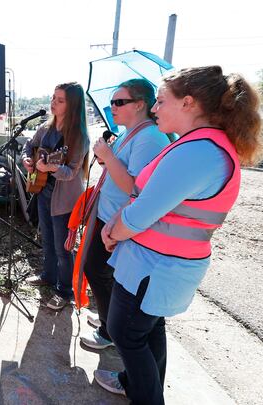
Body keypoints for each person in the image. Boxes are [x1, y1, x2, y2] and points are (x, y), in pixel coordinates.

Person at [94, 66, 262, 404]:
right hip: (159, 266)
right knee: (147, 329)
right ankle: (136, 384)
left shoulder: (197, 152)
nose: (155, 108)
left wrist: (113, 230)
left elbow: (141, 212)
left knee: (126, 334)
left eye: (160, 100)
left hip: (154, 266)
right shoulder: (201, 146)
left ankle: (147, 396)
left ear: (188, 103)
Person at [79, 79, 170, 350]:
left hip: (119, 221)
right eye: (112, 102)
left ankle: (109, 330)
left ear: (140, 104)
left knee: (97, 271)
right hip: (107, 215)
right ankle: (108, 319)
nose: (113, 108)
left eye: (119, 102)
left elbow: (133, 186)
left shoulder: (149, 137)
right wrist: (107, 156)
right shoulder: (132, 132)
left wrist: (108, 154)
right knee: (100, 271)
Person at [22, 82, 90, 310]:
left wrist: (51, 169)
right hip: (43, 192)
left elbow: (71, 172)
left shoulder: (78, 136)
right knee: (47, 240)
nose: (53, 103)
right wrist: (28, 161)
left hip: (65, 199)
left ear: (73, 106)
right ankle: (48, 276)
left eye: (60, 100)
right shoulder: (45, 128)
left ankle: (64, 291)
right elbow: (28, 146)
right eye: (53, 98)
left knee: (64, 247)